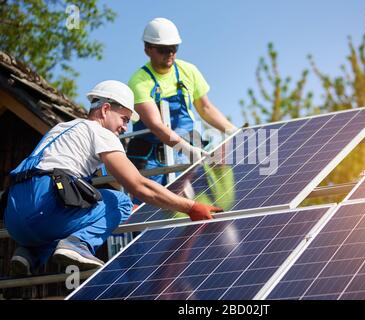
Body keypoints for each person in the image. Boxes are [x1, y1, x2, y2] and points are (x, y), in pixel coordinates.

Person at [4, 80, 222, 276]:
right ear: (106, 109)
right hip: (46, 205)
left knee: (78, 206)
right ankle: (77, 245)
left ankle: (28, 255)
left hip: (14, 214)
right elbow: (137, 185)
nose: (125, 127)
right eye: (124, 118)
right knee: (121, 201)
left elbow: (104, 183)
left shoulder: (62, 128)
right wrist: (190, 207)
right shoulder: (102, 134)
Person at [127, 17, 238, 185]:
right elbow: (156, 126)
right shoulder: (139, 81)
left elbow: (205, 108)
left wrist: (232, 130)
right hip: (151, 160)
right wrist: (185, 148)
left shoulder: (188, 71)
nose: (170, 53)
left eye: (174, 48)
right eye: (163, 49)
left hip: (187, 152)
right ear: (148, 49)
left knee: (195, 203)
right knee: (152, 208)